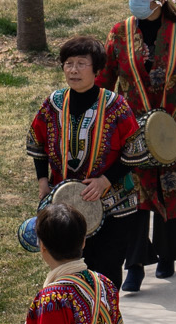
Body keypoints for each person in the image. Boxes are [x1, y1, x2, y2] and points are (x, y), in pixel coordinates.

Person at [104, 0, 176, 283]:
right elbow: (107, 77)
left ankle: (168, 254)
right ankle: (134, 263)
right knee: (134, 193)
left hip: (172, 123)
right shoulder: (119, 33)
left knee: (171, 187)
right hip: (133, 126)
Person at [27, 39, 146, 294]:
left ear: (97, 69)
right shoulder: (53, 104)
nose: (73, 70)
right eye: (68, 64)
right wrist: (42, 182)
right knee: (70, 278)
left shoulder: (116, 106)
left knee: (106, 276)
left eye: (81, 64)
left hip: (113, 205)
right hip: (66, 208)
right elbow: (37, 143)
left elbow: (135, 151)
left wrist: (106, 180)